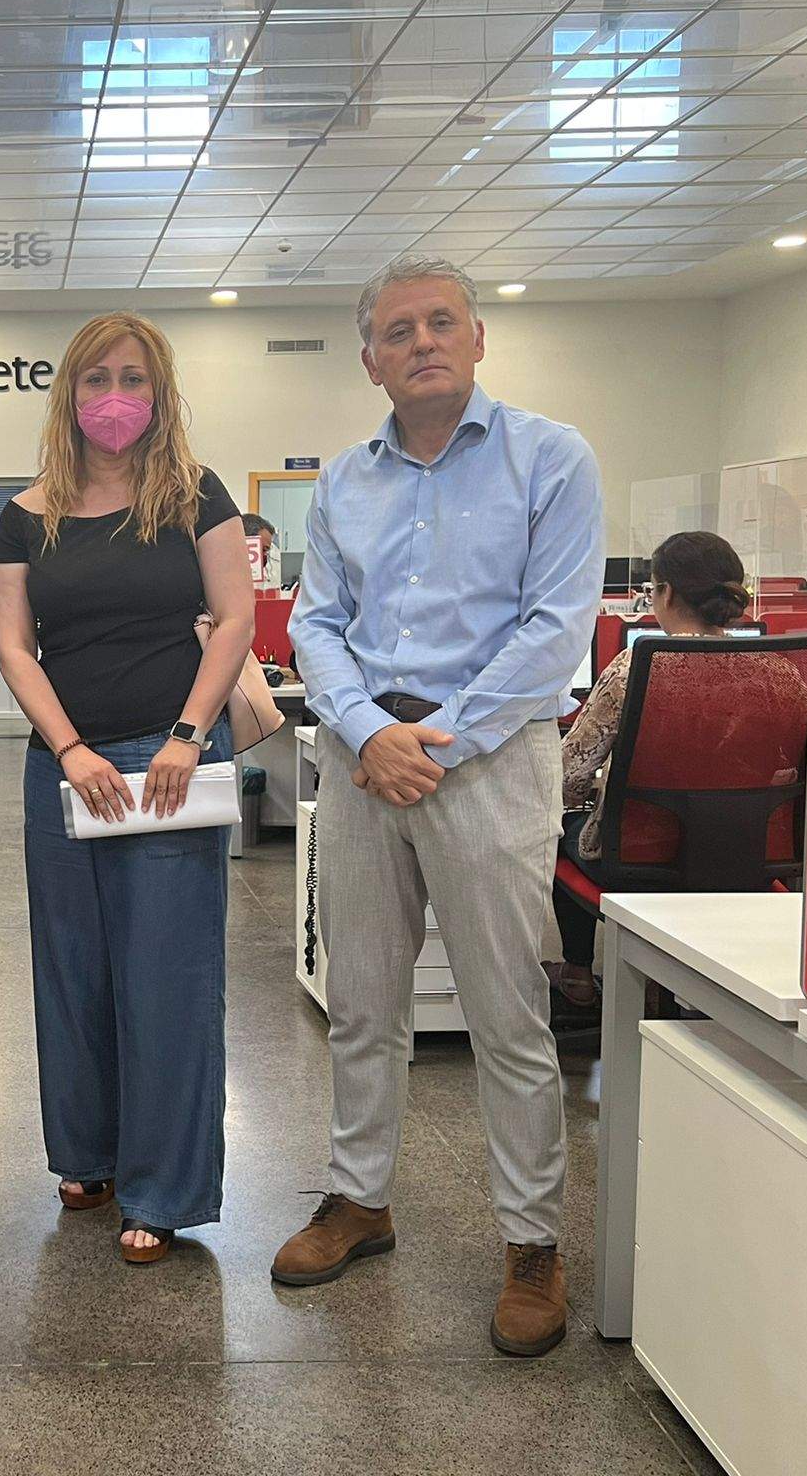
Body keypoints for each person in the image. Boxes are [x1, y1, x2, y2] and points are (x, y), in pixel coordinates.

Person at [275, 255, 602, 1357]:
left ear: (475, 337)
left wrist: (436, 740)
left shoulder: (549, 459)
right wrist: (369, 732)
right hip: (364, 761)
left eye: (439, 323)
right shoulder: (341, 482)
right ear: (369, 357)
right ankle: (357, 1201)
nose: (420, 342)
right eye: (396, 330)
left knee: (507, 1016)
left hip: (490, 761)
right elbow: (313, 624)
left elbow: (556, 629)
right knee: (364, 1006)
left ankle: (530, 1241)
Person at [0, 312, 251, 1266]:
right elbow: (15, 645)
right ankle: (89, 1153)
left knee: (168, 980)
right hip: (64, 769)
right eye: (96, 378)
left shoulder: (196, 496)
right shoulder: (27, 514)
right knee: (72, 972)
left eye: (134, 379)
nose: (115, 397)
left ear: (161, 392)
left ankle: (165, 1189)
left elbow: (233, 620)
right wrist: (69, 750)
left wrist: (186, 735)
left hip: (172, 759)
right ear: (69, 394)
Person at [548, 532, 807, 1007]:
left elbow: (567, 777)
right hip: (745, 855)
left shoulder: (637, 667)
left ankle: (578, 973)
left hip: (641, 858)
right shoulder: (780, 670)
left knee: (558, 830)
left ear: (666, 593)